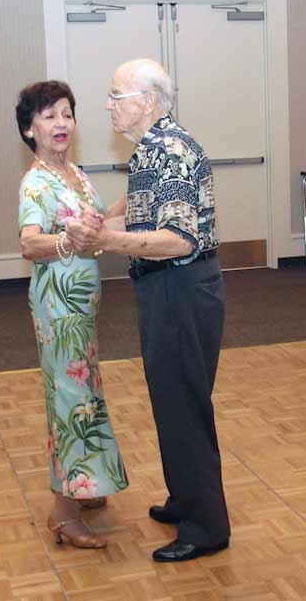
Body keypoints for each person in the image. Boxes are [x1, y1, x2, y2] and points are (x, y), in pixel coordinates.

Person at [65, 59, 229, 562]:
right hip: (170, 289)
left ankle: (205, 527)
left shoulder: (169, 151)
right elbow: (147, 198)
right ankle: (186, 500)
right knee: (173, 400)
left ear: (148, 101)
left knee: (184, 404)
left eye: (116, 96)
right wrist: (111, 213)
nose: (107, 105)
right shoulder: (155, 149)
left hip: (179, 286)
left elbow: (179, 241)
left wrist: (106, 239)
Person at [17, 80, 128, 549]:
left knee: (84, 393)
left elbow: (100, 224)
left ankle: (85, 485)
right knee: (70, 401)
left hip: (81, 309)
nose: (61, 123)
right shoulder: (36, 182)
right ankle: (63, 512)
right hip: (58, 311)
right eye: (48, 116)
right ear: (29, 129)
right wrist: (67, 242)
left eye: (66, 113)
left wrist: (139, 194)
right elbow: (29, 243)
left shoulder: (76, 175)